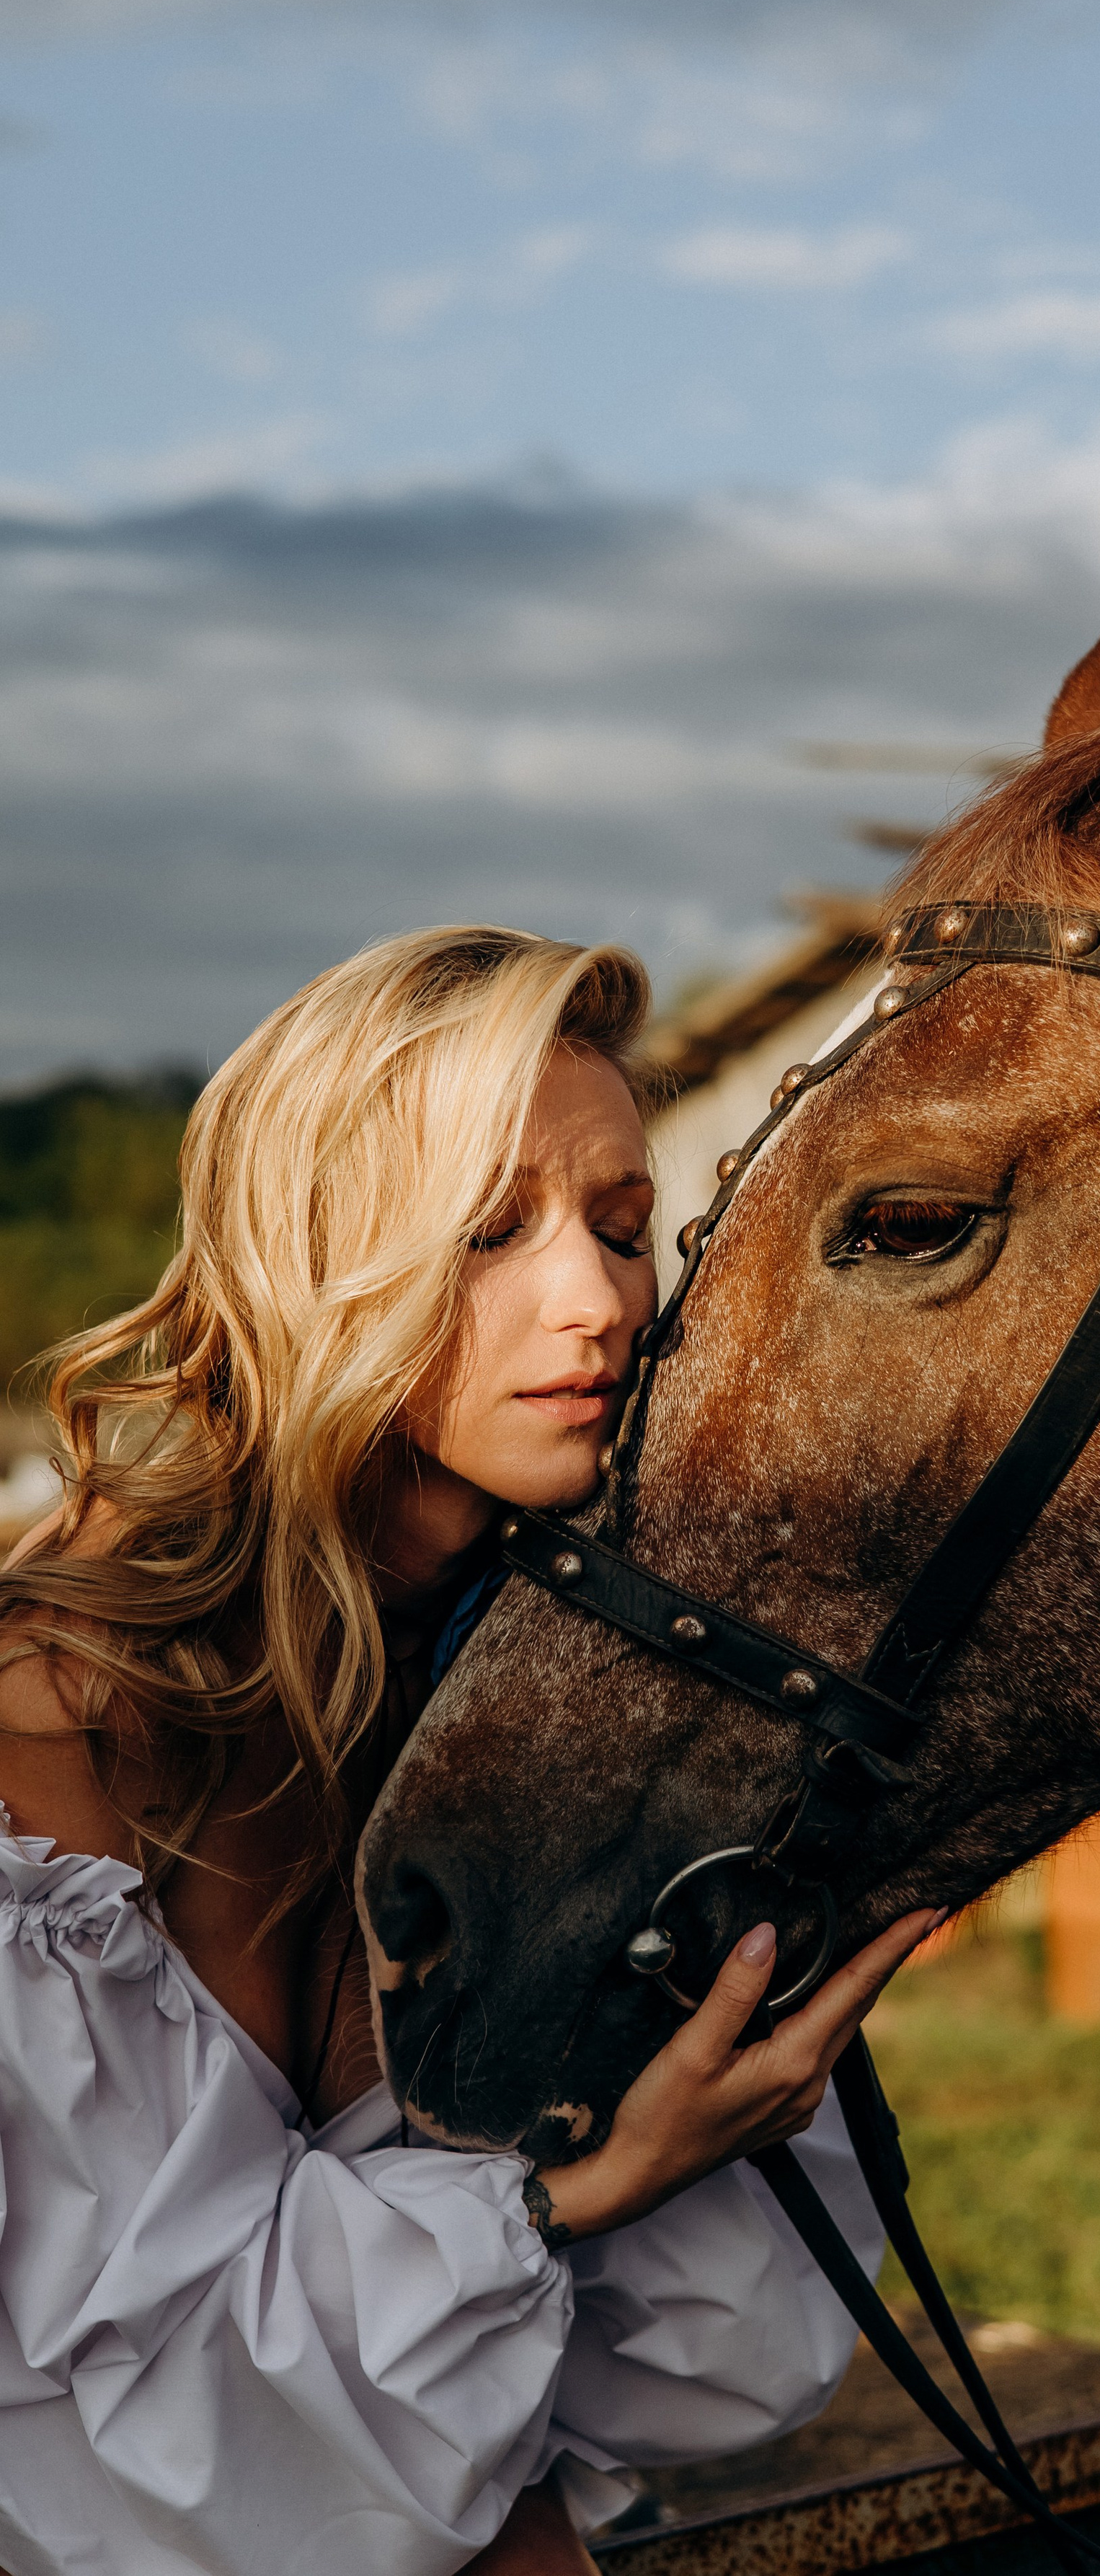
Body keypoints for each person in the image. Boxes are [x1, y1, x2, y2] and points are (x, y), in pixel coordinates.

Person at [0, 925, 938, 2576]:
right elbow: (124, 2446)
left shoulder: (539, 1675)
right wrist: (577, 2189)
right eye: (490, 1229)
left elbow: (649, 2378)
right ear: (317, 1259)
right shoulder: (61, 1719)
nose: (594, 1301)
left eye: (624, 1227)